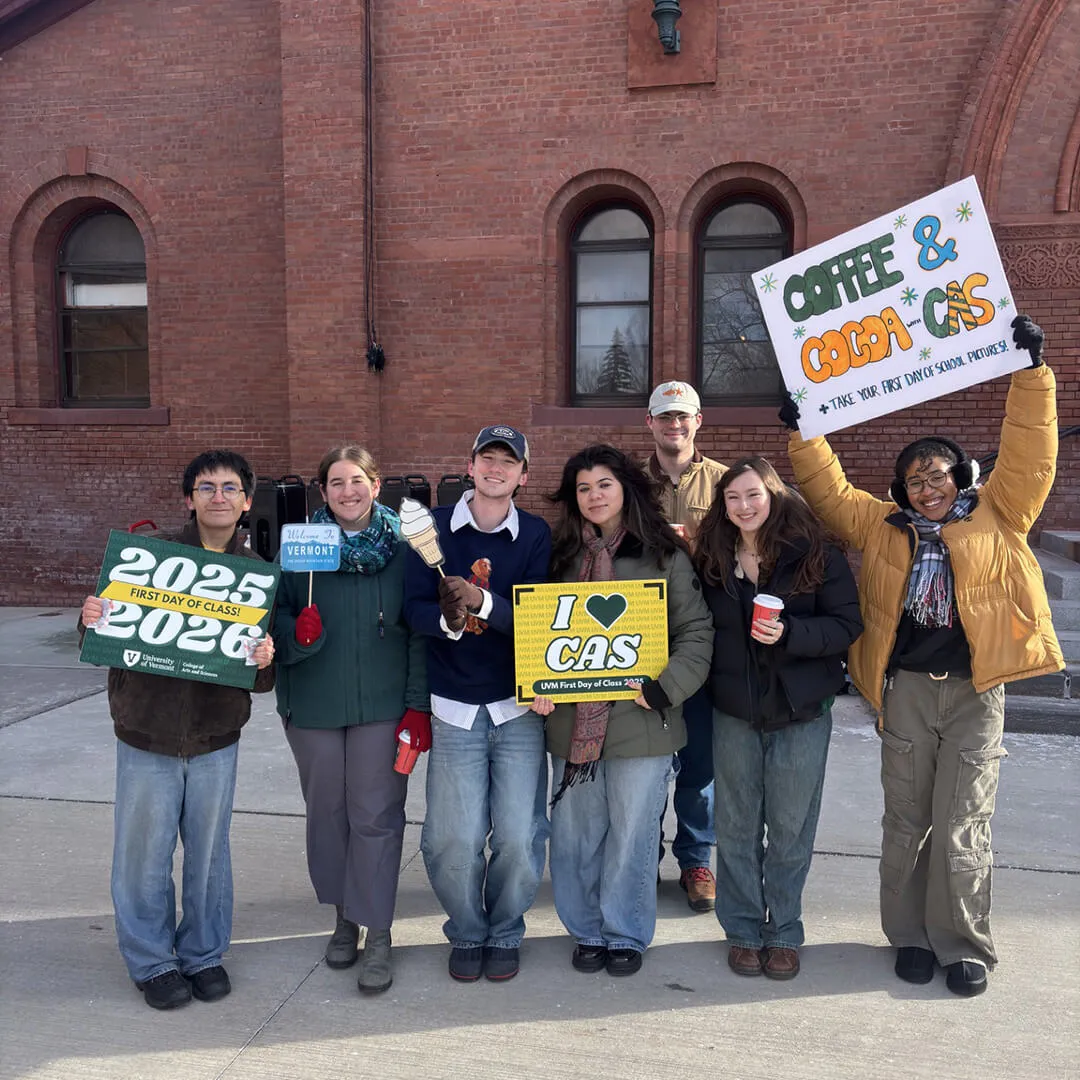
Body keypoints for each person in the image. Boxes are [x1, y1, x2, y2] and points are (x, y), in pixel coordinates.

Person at [783, 314, 1062, 997]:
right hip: (905, 690)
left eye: (936, 474)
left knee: (965, 821)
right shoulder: (882, 528)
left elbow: (1030, 453)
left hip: (976, 691)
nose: (925, 487)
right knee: (907, 818)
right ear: (901, 489)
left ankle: (962, 944)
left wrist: (1031, 375)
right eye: (913, 480)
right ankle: (908, 935)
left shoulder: (1000, 514)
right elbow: (831, 493)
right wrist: (802, 432)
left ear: (959, 475)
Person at [79, 450, 275, 1010]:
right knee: (144, 854)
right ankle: (153, 961)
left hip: (216, 737)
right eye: (206, 487)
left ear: (245, 500)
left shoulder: (257, 574)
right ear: (189, 498)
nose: (218, 496)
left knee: (210, 854)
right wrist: (91, 615)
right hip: (146, 732)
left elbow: (261, 680)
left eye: (230, 487)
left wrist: (265, 658)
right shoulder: (149, 559)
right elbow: (102, 637)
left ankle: (204, 953)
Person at [531, 444, 713, 976]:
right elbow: (536, 633)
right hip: (572, 726)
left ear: (626, 489)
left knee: (632, 836)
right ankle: (585, 928)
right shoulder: (558, 559)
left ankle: (627, 932)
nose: (593, 496)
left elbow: (697, 633)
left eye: (603, 484)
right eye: (583, 488)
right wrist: (536, 681)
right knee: (575, 836)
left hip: (644, 722)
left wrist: (665, 687)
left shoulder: (664, 556)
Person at [695, 456, 862, 979]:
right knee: (737, 826)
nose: (743, 507)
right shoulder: (713, 558)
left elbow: (846, 625)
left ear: (775, 495)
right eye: (732, 498)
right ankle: (743, 929)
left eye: (753, 495)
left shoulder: (815, 554)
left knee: (790, 828)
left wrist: (791, 633)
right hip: (735, 711)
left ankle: (784, 930)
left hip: (801, 711)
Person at [272, 445, 429, 995]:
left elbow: (418, 631)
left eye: (356, 480)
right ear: (323, 491)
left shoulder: (406, 549)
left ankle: (379, 930)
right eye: (335, 482)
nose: (347, 491)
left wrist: (416, 704)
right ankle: (344, 917)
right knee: (329, 815)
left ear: (377, 485)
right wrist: (298, 634)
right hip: (313, 705)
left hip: (382, 708)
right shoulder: (300, 548)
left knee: (377, 816)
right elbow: (272, 620)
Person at [403, 425, 552, 983]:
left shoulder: (535, 534)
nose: (496, 469)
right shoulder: (432, 529)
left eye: (508, 462)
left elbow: (536, 614)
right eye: (487, 459)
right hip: (453, 709)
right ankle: (466, 929)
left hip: (517, 710)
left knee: (519, 834)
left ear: (523, 475)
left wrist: (483, 602)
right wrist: (446, 620)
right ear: (469, 466)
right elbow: (410, 609)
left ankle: (506, 929)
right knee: (454, 838)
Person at [645, 380, 727, 912]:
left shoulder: (726, 482)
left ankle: (696, 858)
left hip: (705, 640)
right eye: (665, 417)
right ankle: (640, 854)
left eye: (684, 416)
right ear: (648, 423)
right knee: (647, 760)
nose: (675, 425)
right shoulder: (629, 484)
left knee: (699, 765)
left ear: (699, 421)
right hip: (644, 640)